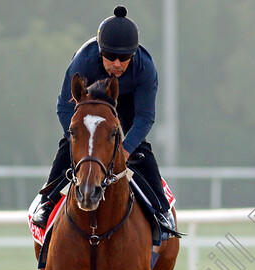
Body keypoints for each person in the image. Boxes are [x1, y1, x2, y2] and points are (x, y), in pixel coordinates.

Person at [31, 5, 174, 231]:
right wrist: (78, 140)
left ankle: (161, 211)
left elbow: (145, 117)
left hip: (126, 103)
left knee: (141, 150)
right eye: (110, 56)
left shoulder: (145, 67)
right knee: (68, 146)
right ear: (100, 52)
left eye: (125, 57)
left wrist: (125, 150)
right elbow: (64, 107)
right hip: (89, 103)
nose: (117, 63)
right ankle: (46, 202)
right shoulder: (83, 62)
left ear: (133, 55)